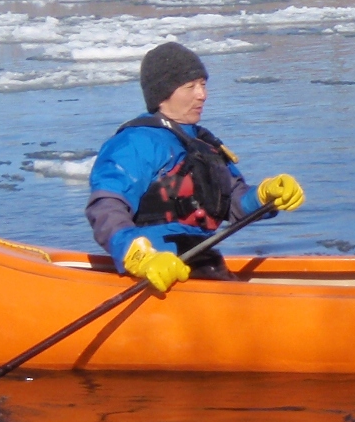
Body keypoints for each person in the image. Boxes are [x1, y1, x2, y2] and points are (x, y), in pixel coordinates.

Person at [86, 41, 304, 291]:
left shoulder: (203, 143)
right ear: (163, 94)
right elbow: (105, 208)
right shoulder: (134, 143)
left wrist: (265, 196)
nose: (203, 94)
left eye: (203, 84)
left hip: (204, 266)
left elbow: (233, 202)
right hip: (156, 275)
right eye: (191, 86)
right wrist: (137, 255)